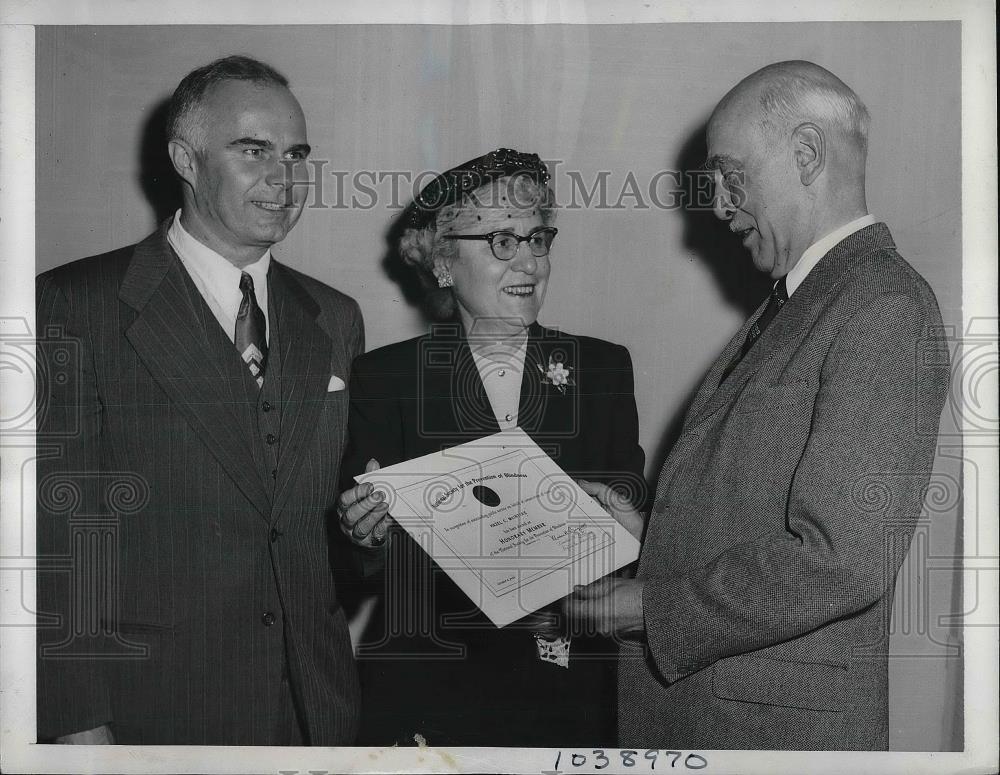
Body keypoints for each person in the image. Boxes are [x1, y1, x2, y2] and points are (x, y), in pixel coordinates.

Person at [565, 61, 951, 750]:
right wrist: (648, 528)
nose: (717, 204)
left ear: (806, 154)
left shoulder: (885, 306)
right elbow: (759, 510)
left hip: (772, 735)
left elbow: (842, 557)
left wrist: (651, 607)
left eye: (730, 174)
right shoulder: (806, 300)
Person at [35, 56, 364, 745]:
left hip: (315, 710)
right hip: (155, 712)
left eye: (296, 153)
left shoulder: (334, 317)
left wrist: (370, 536)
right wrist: (77, 726)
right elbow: (58, 543)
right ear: (185, 158)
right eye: (254, 151)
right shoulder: (75, 304)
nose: (285, 178)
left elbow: (323, 536)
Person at [336, 148, 646, 746]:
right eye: (502, 241)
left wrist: (626, 535)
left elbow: (630, 529)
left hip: (565, 689)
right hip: (430, 687)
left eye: (537, 238)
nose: (529, 260)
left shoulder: (602, 368)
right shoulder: (388, 377)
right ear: (444, 263)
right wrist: (363, 534)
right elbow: (356, 568)